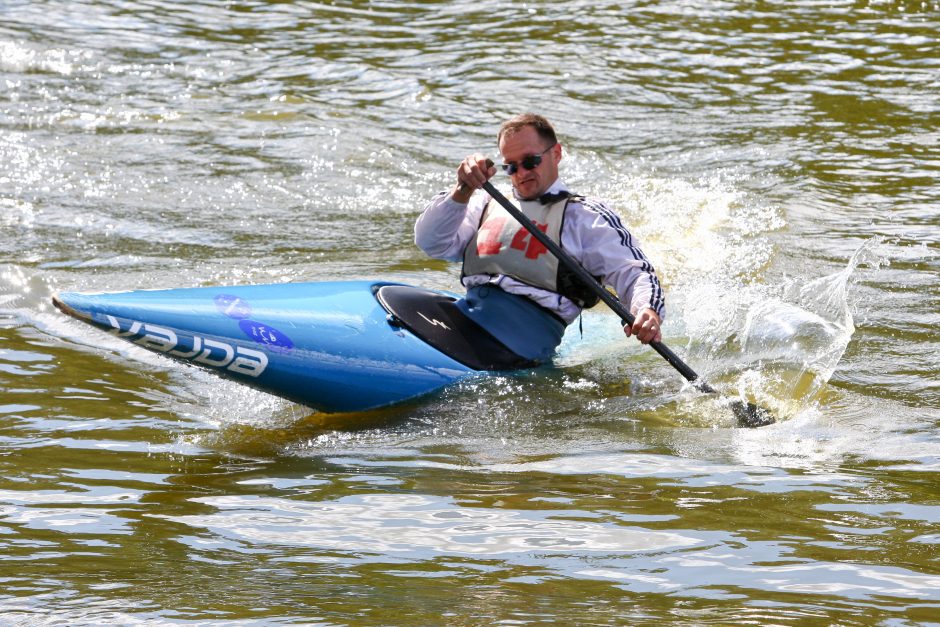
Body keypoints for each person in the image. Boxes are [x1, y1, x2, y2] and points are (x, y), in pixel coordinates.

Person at [414, 113, 665, 364]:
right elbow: (430, 242)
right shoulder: (486, 202)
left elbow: (634, 273)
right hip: (466, 320)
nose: (521, 173)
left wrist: (646, 310)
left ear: (556, 153)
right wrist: (462, 189)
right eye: (511, 166)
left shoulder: (585, 217)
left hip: (520, 350)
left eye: (530, 161)